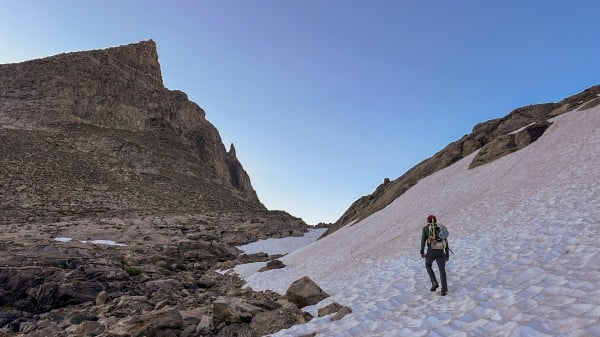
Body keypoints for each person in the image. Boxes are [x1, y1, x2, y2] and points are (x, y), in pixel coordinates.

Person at [420, 214, 449, 296]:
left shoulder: (425, 229)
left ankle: (434, 282)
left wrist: (422, 251)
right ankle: (444, 289)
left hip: (431, 251)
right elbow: (446, 241)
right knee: (442, 269)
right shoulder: (440, 228)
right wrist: (447, 254)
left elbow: (423, 240)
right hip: (441, 251)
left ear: (427, 221)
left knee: (428, 265)